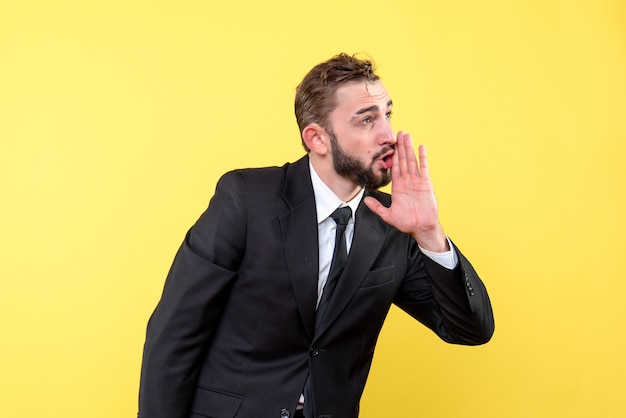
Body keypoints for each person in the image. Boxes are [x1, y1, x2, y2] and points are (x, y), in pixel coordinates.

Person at [138, 53, 494, 418]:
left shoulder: (394, 223)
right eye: (367, 119)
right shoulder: (247, 200)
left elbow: (469, 329)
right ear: (317, 139)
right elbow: (173, 337)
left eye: (388, 114)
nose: (388, 135)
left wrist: (429, 232)